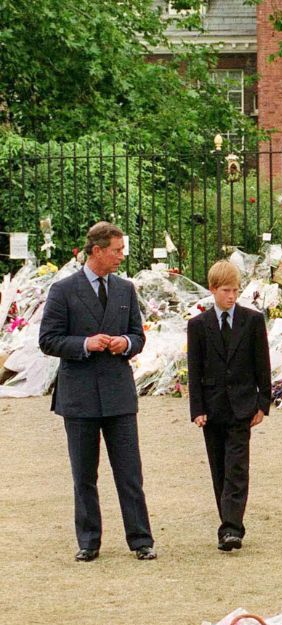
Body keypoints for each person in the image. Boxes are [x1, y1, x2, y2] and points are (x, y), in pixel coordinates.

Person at [38, 222, 155, 561]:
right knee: (84, 475)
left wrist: (127, 343)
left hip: (118, 395)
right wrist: (85, 344)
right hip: (80, 397)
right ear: (97, 251)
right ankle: (89, 541)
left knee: (130, 473)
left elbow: (139, 335)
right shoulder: (63, 291)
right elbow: (47, 340)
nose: (122, 257)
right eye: (117, 251)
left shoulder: (125, 289)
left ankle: (141, 540)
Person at [187, 260, 271, 551]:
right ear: (212, 290)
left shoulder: (252, 320)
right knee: (219, 468)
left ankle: (232, 527)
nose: (232, 296)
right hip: (211, 408)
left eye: (236, 290)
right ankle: (228, 523)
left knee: (237, 467)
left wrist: (263, 402)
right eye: (226, 291)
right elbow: (194, 369)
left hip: (242, 407)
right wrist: (196, 409)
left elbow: (263, 364)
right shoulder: (198, 325)